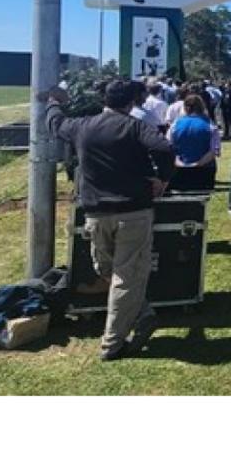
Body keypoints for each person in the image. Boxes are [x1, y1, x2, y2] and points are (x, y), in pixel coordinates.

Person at [43, 80, 175, 361]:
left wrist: (53, 102)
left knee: (115, 274)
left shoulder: (82, 126)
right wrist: (161, 180)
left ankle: (111, 344)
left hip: (103, 213)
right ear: (131, 104)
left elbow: (56, 124)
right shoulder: (136, 127)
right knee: (115, 273)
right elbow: (164, 148)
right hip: (128, 213)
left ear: (104, 99)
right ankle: (143, 313)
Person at [170, 94, 218, 190]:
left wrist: (178, 161)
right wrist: (198, 163)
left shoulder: (175, 125)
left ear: (185, 108)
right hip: (203, 169)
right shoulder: (210, 125)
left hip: (179, 168)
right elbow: (214, 151)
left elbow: (169, 146)